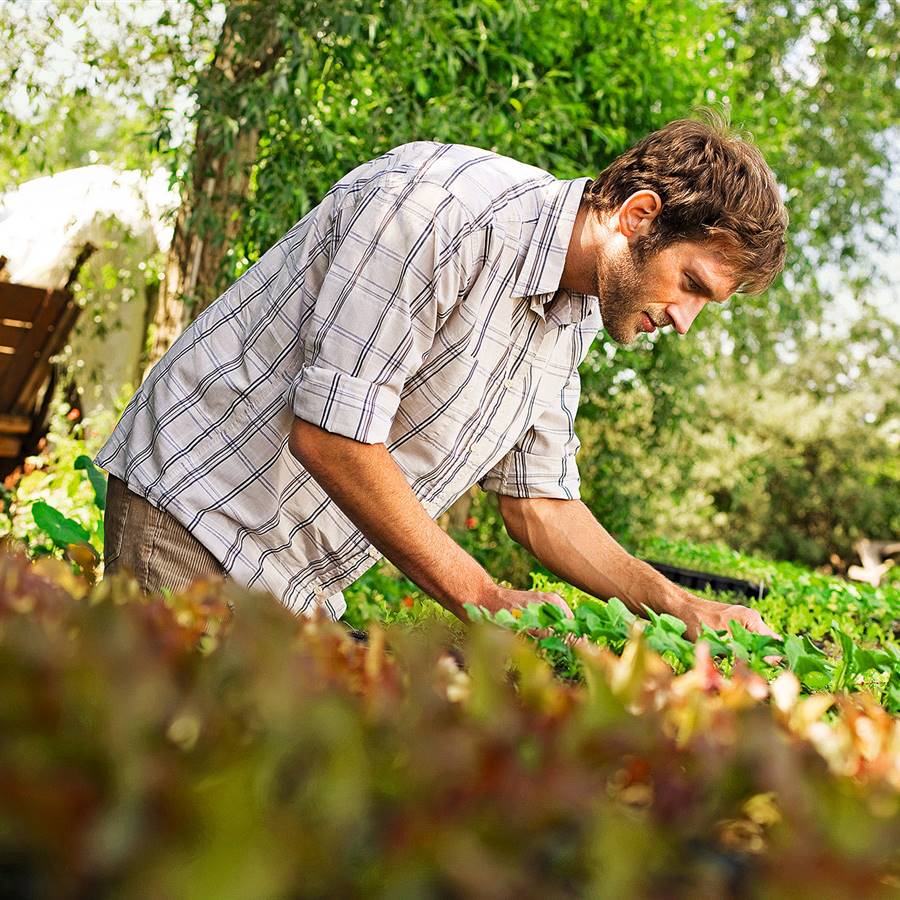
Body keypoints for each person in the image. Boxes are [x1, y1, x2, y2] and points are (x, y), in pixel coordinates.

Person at [96, 111, 787, 639]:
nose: (684, 320)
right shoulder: (441, 210)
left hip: (294, 577)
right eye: (690, 283)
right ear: (639, 216)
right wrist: (483, 595)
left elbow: (540, 504)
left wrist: (681, 605)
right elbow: (332, 437)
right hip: (198, 519)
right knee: (167, 795)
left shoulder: (574, 312)